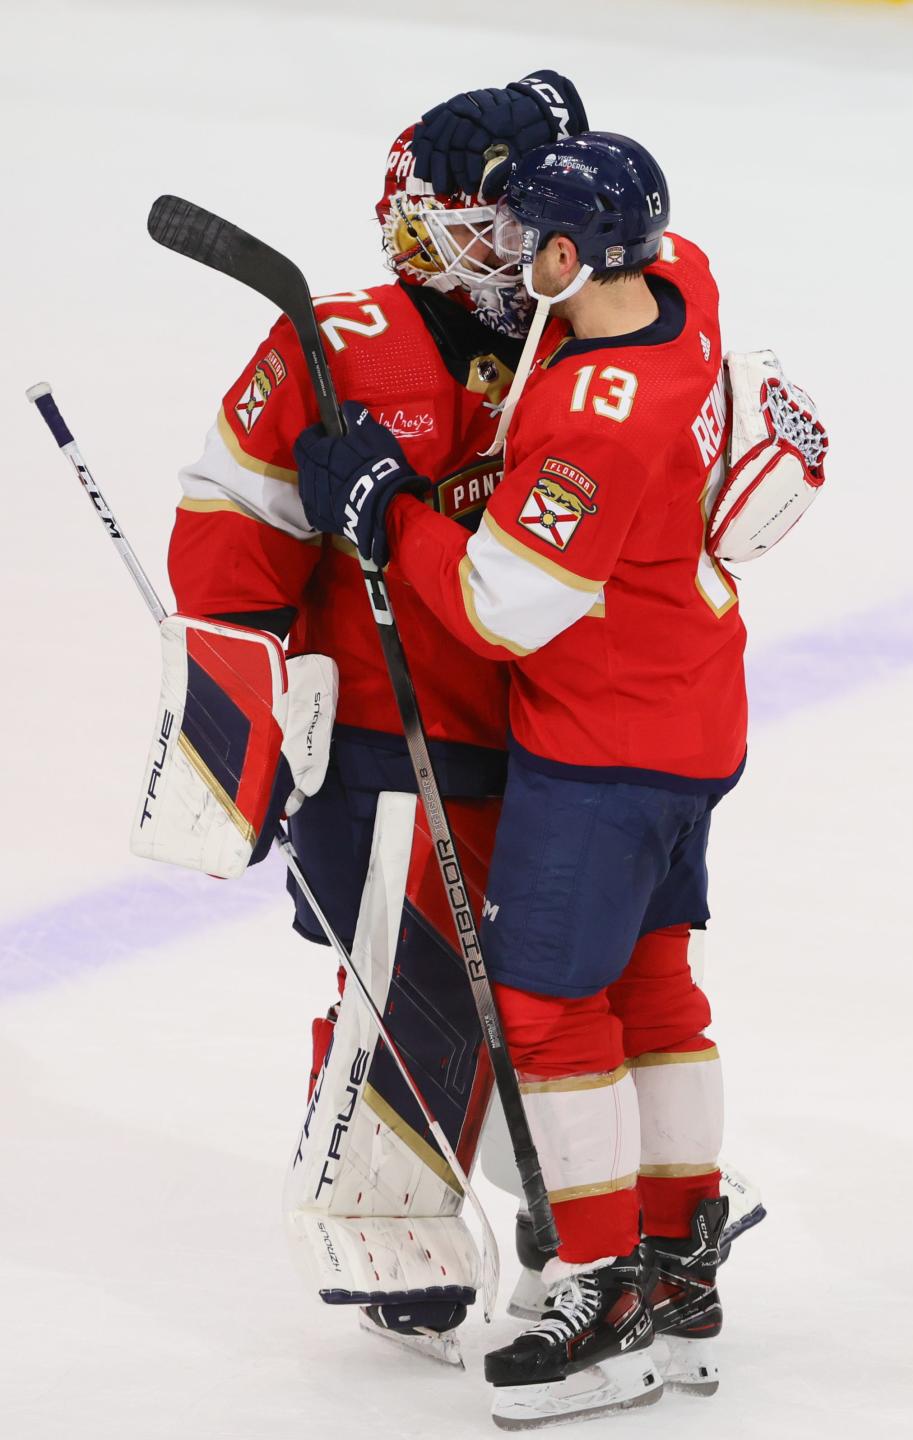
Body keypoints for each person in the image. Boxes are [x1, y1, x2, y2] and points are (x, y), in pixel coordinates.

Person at [294, 130, 827, 1426]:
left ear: (571, 253)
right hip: (693, 704)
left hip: (605, 742)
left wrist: (388, 504)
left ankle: (602, 1292)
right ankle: (680, 1249)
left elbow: (503, 605)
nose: (510, 258)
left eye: (528, 236)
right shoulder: (680, 281)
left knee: (542, 1010)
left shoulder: (605, 417)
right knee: (652, 980)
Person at [165, 73, 589, 1363]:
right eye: (482, 237)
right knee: (409, 979)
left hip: (559, 737)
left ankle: (617, 1206)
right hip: (379, 741)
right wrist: (248, 704)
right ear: (417, 220)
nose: (510, 266)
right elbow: (228, 526)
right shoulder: (336, 340)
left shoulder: (582, 332)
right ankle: (388, 1217)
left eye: (526, 236)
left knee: (557, 986)